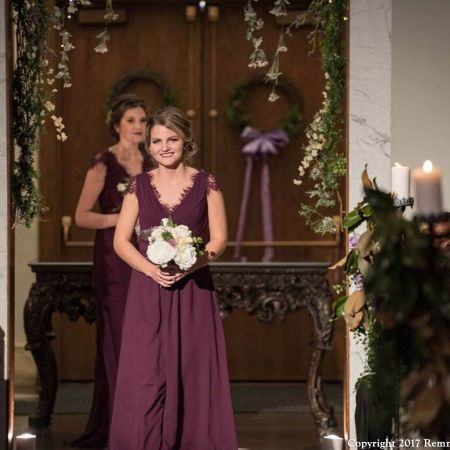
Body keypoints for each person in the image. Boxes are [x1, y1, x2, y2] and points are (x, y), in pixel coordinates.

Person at [110, 107, 238, 449]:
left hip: (193, 289)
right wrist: (149, 269)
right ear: (149, 146)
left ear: (187, 141)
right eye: (156, 141)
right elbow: (120, 241)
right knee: (146, 374)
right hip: (147, 291)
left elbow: (219, 240)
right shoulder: (138, 186)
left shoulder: (207, 183)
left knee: (192, 369)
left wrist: (190, 265)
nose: (164, 147)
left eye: (172, 139)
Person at [71, 94, 152, 448]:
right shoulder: (102, 162)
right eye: (131, 120)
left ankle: (147, 421)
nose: (138, 126)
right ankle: (119, 423)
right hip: (113, 259)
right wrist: (119, 219)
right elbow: (81, 216)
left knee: (147, 334)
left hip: (148, 252)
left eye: (143, 120)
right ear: (117, 124)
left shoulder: (152, 161)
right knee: (119, 333)